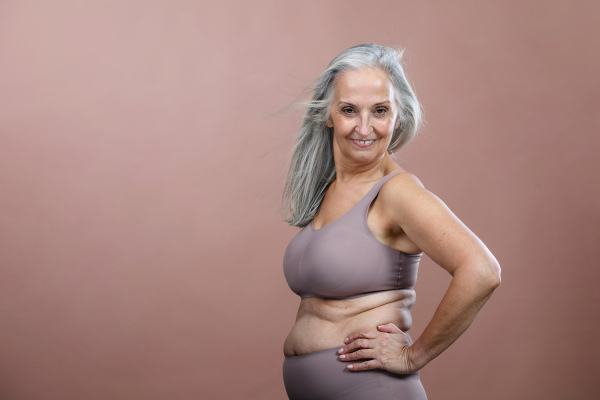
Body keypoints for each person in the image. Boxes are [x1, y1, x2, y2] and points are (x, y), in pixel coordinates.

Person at [281, 44, 501, 400]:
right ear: (328, 115)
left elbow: (481, 271)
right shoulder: (329, 188)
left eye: (380, 110)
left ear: (398, 115)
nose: (364, 127)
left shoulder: (397, 192)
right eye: (350, 110)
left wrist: (415, 355)